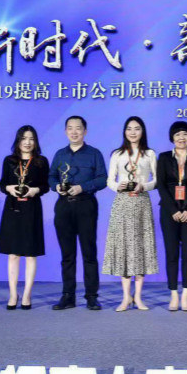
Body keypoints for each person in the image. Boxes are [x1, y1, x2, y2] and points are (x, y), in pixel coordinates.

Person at [48, 115, 107, 310]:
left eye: (78, 128)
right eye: (70, 128)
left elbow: (102, 179)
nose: (74, 132)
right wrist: (56, 186)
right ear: (66, 131)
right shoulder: (60, 154)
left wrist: (82, 187)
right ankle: (68, 296)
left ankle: (91, 296)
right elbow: (51, 177)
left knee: (89, 252)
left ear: (85, 131)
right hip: (63, 206)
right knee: (67, 254)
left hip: (86, 205)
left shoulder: (94, 154)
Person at [103, 116, 159, 311]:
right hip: (122, 203)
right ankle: (126, 297)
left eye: (137, 128)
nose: (133, 132)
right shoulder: (117, 154)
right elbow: (109, 180)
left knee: (141, 248)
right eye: (129, 128)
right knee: (124, 249)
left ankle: (139, 297)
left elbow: (157, 180)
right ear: (124, 131)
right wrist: (117, 186)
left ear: (142, 132)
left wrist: (144, 185)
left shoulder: (149, 154)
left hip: (141, 203)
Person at [0, 125, 49, 310]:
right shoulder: (9, 161)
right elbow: (2, 184)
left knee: (31, 254)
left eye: (31, 139)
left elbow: (46, 186)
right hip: (13, 208)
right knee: (13, 254)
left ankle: (27, 294)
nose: (28, 142)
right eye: (24, 138)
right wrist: (9, 188)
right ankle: (13, 293)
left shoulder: (41, 161)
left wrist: (34, 190)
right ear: (18, 141)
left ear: (36, 142)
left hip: (32, 208)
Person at [157, 121, 187, 312]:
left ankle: (185, 295)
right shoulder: (164, 158)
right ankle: (173, 295)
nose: (181, 138)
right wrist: (173, 210)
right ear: (172, 138)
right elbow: (161, 185)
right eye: (177, 135)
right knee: (171, 254)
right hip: (169, 212)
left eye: (185, 134)